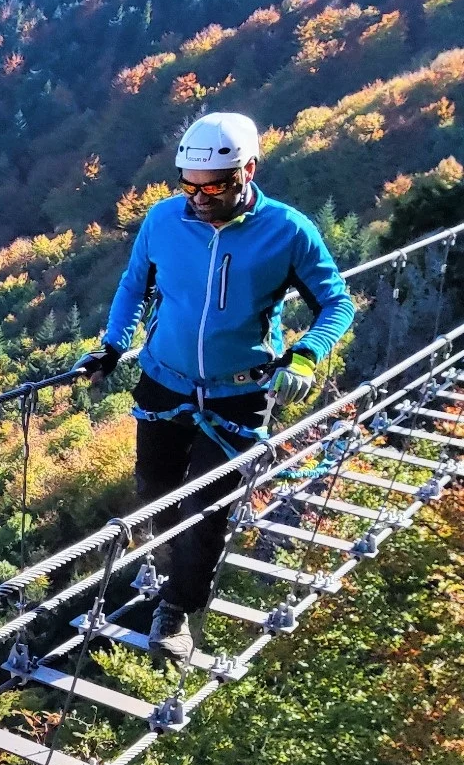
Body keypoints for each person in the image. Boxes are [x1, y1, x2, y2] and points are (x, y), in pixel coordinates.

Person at [81, 112, 354, 657]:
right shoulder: (162, 221)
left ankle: (177, 608)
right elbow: (134, 287)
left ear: (249, 169)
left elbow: (336, 302)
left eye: (217, 185)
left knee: (205, 507)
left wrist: (305, 355)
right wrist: (112, 347)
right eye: (189, 184)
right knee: (154, 494)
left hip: (238, 392)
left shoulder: (288, 230)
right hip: (163, 382)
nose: (201, 198)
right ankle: (170, 563)